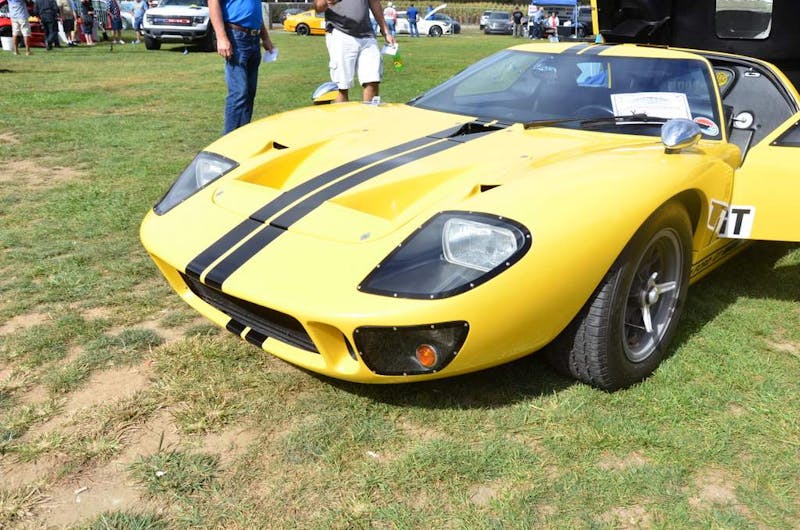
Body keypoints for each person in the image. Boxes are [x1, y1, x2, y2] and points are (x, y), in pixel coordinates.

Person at [208, 0, 275, 135]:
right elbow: (213, 3)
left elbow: (255, 14)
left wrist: (265, 38)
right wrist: (221, 37)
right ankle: (226, 145)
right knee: (239, 93)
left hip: (253, 38)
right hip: (236, 36)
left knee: (249, 93)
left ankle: (241, 140)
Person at [314, 0, 395, 103]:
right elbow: (318, 7)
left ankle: (369, 117)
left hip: (367, 35)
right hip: (340, 33)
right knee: (341, 86)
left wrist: (386, 31)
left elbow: (374, 3)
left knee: (373, 80)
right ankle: (343, 118)